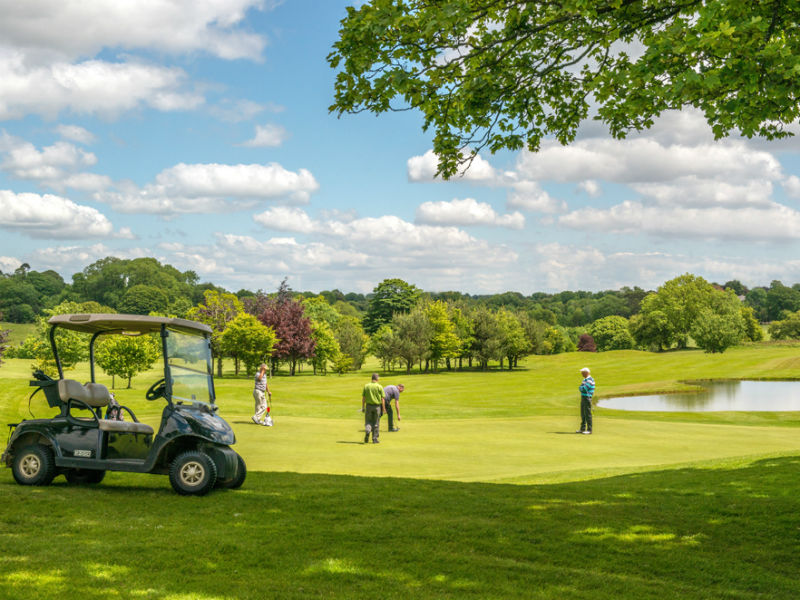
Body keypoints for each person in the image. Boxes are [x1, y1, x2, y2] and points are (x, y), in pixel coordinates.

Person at [361, 373, 385, 444]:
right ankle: (374, 439)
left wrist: (363, 406)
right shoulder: (379, 387)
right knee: (376, 422)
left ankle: (368, 431)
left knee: (368, 421)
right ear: (377, 379)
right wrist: (383, 408)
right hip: (377, 406)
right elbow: (382, 398)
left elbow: (364, 398)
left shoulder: (366, 386)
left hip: (368, 406)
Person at [576, 367, 595, 434]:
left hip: (587, 398)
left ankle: (589, 430)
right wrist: (581, 387)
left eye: (582, 372)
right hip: (583, 397)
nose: (581, 373)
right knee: (583, 414)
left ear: (586, 373)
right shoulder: (585, 380)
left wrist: (581, 387)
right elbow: (580, 387)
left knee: (587, 414)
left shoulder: (590, 380)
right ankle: (582, 429)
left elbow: (583, 388)